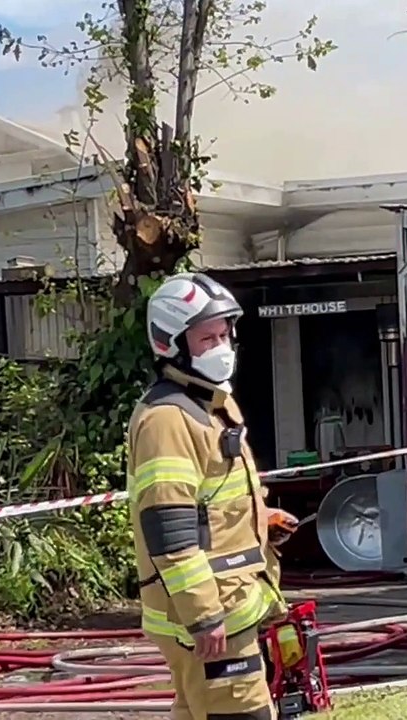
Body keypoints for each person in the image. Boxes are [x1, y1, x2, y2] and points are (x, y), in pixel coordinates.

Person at [128, 271, 299, 720]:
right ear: (172, 343)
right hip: (210, 615)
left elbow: (214, 501)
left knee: (196, 712)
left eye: (225, 335)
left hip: (230, 603)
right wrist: (204, 616)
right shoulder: (168, 420)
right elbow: (171, 528)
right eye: (207, 339)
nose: (222, 348)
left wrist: (260, 521)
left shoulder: (211, 405)